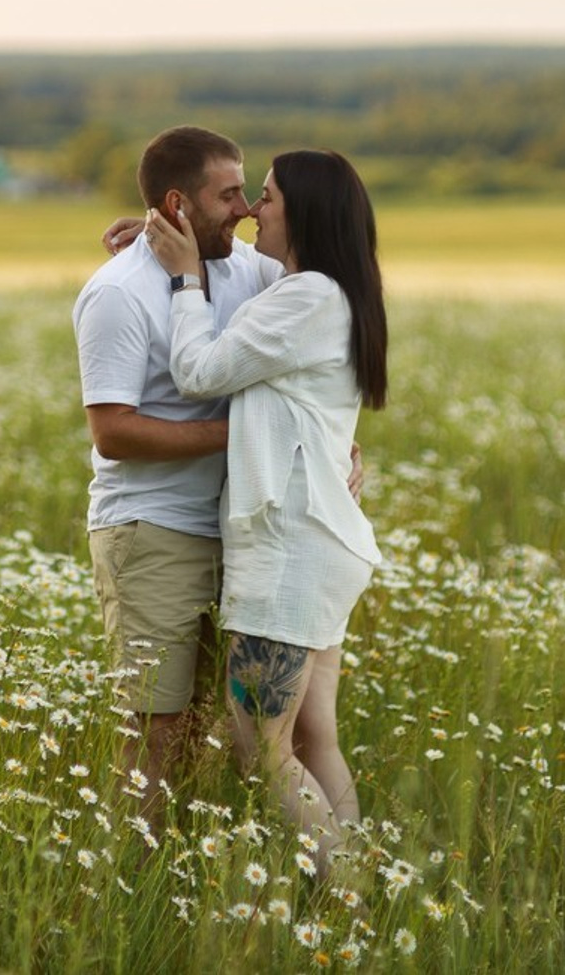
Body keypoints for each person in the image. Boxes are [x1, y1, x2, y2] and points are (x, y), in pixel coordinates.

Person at [73, 126, 363, 814]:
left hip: (245, 534)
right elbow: (112, 433)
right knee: (158, 731)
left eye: (252, 194)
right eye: (230, 195)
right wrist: (246, 436)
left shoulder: (247, 270)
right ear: (179, 203)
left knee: (221, 731)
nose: (245, 210)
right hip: (155, 531)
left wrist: (333, 443)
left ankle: (330, 886)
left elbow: (321, 336)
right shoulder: (119, 294)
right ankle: (126, 891)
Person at [143, 149, 386, 877]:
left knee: (261, 749)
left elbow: (198, 373)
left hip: (288, 552)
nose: (253, 210)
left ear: (304, 214)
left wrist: (185, 279)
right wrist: (161, 239)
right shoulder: (330, 293)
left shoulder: (306, 296)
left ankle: (348, 897)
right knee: (316, 737)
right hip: (321, 543)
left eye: (269, 198)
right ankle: (362, 885)